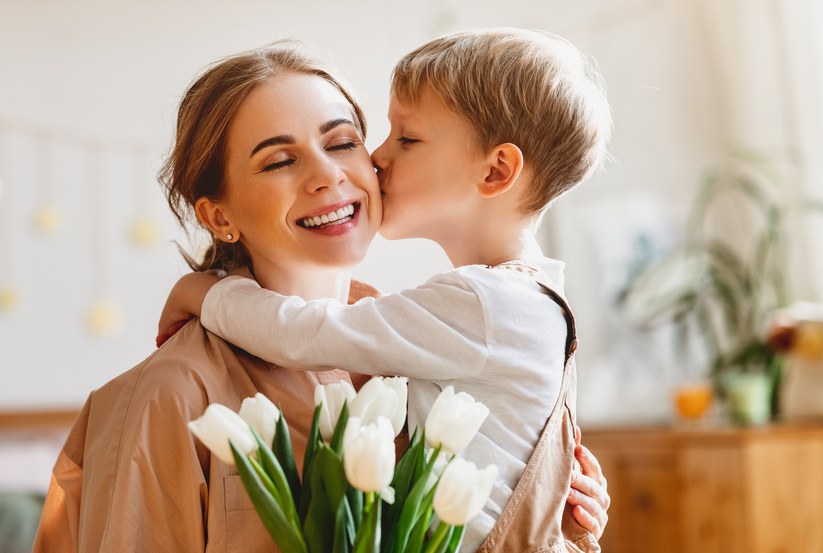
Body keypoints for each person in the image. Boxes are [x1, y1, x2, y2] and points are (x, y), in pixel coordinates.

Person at [32, 42, 609, 553]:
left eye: (343, 142)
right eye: (280, 160)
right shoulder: (174, 392)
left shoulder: (415, 357)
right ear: (218, 214)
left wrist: (560, 503)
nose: (329, 175)